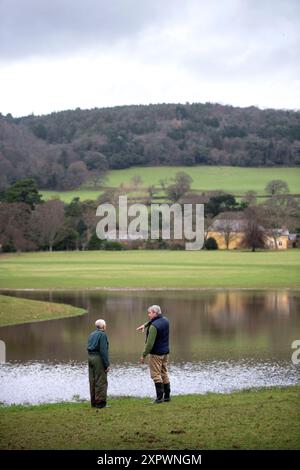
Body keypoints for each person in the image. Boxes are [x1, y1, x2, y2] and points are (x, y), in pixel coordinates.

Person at [137, 305, 171, 404]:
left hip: (156, 354)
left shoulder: (154, 327)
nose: (148, 314)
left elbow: (149, 344)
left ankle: (159, 398)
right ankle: (167, 397)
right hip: (165, 353)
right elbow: (154, 321)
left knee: (156, 375)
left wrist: (143, 355)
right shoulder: (165, 320)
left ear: (155, 313)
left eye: (150, 313)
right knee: (164, 373)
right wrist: (145, 325)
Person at [87, 319, 110, 409]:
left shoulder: (91, 334)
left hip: (90, 358)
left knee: (92, 380)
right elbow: (103, 351)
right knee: (101, 381)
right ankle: (100, 403)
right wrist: (106, 364)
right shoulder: (102, 335)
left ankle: (93, 403)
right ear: (103, 326)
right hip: (98, 358)